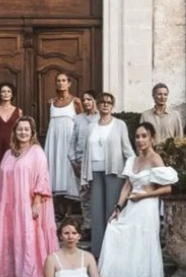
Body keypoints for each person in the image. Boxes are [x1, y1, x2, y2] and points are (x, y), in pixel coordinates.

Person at [98, 122, 178, 277]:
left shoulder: (155, 159)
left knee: (144, 246)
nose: (140, 140)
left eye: (144, 136)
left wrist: (145, 195)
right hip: (131, 207)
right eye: (137, 136)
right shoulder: (132, 160)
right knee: (117, 231)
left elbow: (167, 188)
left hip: (147, 206)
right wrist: (118, 208)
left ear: (151, 139)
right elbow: (127, 186)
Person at [0, 116, 58, 277]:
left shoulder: (37, 152)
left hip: (26, 204)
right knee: (10, 237)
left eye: (27, 129)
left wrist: (36, 202)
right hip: (7, 205)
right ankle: (8, 274)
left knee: (27, 239)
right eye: (20, 129)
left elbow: (42, 178)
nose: (23, 132)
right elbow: (1, 179)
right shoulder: (8, 153)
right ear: (15, 132)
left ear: (32, 132)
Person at [80, 93, 134, 258]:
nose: (105, 105)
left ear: (113, 106)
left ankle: (115, 254)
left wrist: (134, 170)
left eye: (109, 102)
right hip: (95, 173)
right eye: (102, 102)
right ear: (97, 104)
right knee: (97, 214)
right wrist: (84, 176)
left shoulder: (119, 125)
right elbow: (86, 153)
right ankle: (98, 253)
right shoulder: (91, 126)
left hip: (114, 172)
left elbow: (127, 149)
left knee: (112, 212)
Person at [44, 71, 82, 212]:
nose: (61, 83)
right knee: (54, 168)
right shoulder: (52, 102)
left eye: (64, 80)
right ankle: (57, 209)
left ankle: (69, 210)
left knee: (68, 170)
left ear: (69, 83)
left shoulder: (76, 101)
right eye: (58, 80)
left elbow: (81, 121)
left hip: (69, 139)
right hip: (54, 140)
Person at [67, 90, 98, 236]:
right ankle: (87, 226)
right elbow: (72, 142)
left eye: (89, 99)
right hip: (80, 162)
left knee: (97, 195)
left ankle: (99, 225)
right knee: (84, 195)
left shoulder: (101, 119)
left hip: (96, 163)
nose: (86, 102)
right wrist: (73, 161)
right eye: (84, 100)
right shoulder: (78, 119)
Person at [0, 82, 22, 199]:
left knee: (12, 173)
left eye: (8, 91)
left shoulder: (19, 111)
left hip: (12, 146)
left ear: (12, 94)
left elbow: (20, 128)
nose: (6, 94)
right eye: (3, 91)